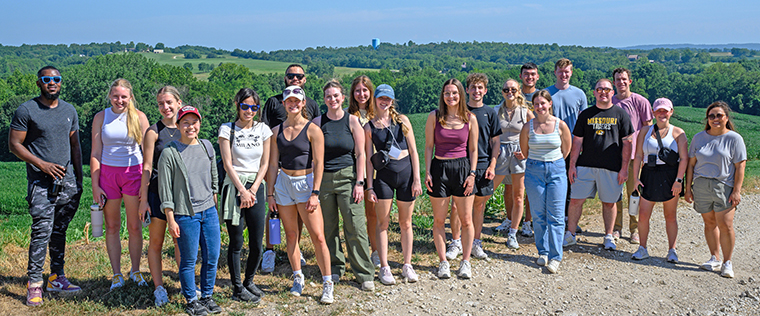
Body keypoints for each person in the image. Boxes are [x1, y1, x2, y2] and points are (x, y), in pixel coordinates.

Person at [9, 66, 84, 306]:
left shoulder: (69, 110)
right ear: (39, 82)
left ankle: (56, 277)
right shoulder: (27, 110)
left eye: (56, 79)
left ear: (61, 83)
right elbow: (14, 145)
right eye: (47, 79)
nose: (52, 83)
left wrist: (79, 179)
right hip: (41, 182)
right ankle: (34, 284)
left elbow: (75, 146)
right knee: (42, 231)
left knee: (59, 230)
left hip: (67, 182)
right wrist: (42, 165)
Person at [266, 86, 334, 303]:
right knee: (291, 235)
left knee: (318, 236)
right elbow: (272, 164)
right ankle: (297, 276)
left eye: (297, 101)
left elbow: (319, 163)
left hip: (306, 184)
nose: (293, 104)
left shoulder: (313, 130)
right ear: (284, 104)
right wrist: (270, 194)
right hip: (284, 184)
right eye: (289, 101)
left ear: (304, 103)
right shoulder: (277, 131)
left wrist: (315, 192)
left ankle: (327, 282)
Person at [158, 106, 222, 316]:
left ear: (200, 124)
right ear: (177, 126)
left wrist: (214, 198)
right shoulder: (170, 152)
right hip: (186, 214)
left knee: (212, 255)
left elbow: (214, 175)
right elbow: (165, 189)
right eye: (185, 122)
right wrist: (170, 218)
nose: (190, 126)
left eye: (194, 122)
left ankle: (207, 295)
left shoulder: (207, 146)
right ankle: (191, 300)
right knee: (189, 259)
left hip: (209, 211)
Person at [90, 78, 150, 290]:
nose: (119, 100)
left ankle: (135, 270)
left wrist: (146, 184)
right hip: (108, 175)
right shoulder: (100, 117)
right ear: (109, 96)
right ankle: (116, 274)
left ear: (130, 97)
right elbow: (96, 153)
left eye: (124, 96)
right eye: (115, 96)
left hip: (133, 173)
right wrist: (95, 185)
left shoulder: (140, 117)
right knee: (112, 226)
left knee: (135, 226)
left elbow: (148, 153)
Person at [316, 80, 375, 291]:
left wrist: (360, 182)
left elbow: (360, 154)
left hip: (349, 178)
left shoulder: (352, 121)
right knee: (328, 227)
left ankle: (364, 272)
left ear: (342, 97)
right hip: (323, 180)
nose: (332, 99)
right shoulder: (317, 123)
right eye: (328, 96)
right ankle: (334, 267)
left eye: (336, 95)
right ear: (324, 100)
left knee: (355, 226)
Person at [260, 64, 318, 272]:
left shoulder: (310, 104)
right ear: (285, 78)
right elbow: (264, 132)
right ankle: (270, 250)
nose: (295, 78)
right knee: (273, 212)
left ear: (304, 79)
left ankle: (295, 249)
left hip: (302, 170)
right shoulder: (274, 102)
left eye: (299, 76)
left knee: (299, 214)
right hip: (278, 167)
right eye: (291, 75)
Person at [565, 79, 634, 250]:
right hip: (585, 166)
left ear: (612, 92)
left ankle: (608, 236)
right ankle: (570, 234)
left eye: (607, 89)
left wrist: (624, 169)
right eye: (599, 89)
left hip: (611, 167)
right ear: (594, 93)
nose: (603, 92)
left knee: (609, 203)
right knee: (575, 201)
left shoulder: (621, 114)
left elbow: (627, 144)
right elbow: (577, 143)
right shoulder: (586, 115)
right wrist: (572, 165)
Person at [365, 84, 423, 285]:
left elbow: (414, 151)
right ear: (375, 99)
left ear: (392, 101)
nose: (385, 102)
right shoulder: (369, 126)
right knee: (383, 223)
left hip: (406, 174)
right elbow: (367, 158)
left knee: (406, 223)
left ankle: (407, 265)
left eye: (388, 99)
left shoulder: (403, 121)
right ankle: (384, 266)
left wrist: (417, 179)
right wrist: (369, 186)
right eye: (381, 98)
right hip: (384, 178)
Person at [218, 88, 272, 302]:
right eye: (245, 106)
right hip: (234, 188)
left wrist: (253, 189)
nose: (249, 111)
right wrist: (242, 190)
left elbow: (265, 162)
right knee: (236, 241)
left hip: (256, 188)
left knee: (257, 242)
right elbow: (227, 163)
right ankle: (237, 287)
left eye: (254, 107)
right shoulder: (227, 129)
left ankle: (249, 280)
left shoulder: (263, 130)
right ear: (237, 105)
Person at [685, 101, 746, 278]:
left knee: (725, 225)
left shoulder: (734, 138)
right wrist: (688, 189)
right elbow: (691, 165)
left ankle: (727, 262)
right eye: (711, 116)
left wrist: (736, 190)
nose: (715, 119)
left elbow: (740, 166)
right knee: (710, 223)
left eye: (719, 115)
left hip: (724, 185)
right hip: (702, 185)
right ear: (707, 119)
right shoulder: (699, 138)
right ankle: (715, 257)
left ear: (726, 117)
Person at [424, 78, 479, 279]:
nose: (451, 97)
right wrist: (428, 171)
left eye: (454, 93)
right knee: (439, 220)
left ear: (461, 95)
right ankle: (443, 262)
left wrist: (472, 174)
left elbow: (473, 149)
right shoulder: (434, 117)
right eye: (447, 93)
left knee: (466, 219)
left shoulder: (470, 118)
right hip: (439, 169)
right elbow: (429, 146)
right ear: (443, 96)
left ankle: (465, 262)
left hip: (463, 169)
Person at [446, 73, 501, 260]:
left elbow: (496, 143)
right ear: (466, 90)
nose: (476, 91)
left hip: (484, 164)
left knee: (479, 206)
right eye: (473, 87)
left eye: (480, 88)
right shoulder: (459, 111)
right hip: (462, 164)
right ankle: (455, 242)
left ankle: (476, 242)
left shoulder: (490, 113)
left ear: (485, 91)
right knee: (456, 206)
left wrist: (493, 165)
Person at [139, 86, 183, 306]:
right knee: (156, 243)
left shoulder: (188, 126)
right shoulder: (153, 131)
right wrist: (143, 199)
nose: (165, 107)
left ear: (179, 103)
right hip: (157, 192)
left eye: (169, 103)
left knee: (180, 241)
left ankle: (185, 284)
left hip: (181, 196)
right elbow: (147, 166)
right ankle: (158, 287)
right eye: (160, 104)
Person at [520, 90, 572, 273]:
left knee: (556, 216)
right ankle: (543, 251)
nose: (540, 107)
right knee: (538, 215)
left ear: (550, 104)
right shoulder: (528, 127)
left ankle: (556, 257)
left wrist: (553, 162)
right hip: (534, 171)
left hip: (556, 170)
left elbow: (566, 150)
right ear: (532, 106)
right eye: (536, 104)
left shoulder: (561, 125)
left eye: (543, 103)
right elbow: (524, 151)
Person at [630, 98, 687, 262]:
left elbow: (684, 159)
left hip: (670, 175)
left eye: (665, 110)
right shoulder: (644, 131)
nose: (662, 113)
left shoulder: (678, 133)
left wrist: (679, 180)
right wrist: (635, 178)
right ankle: (642, 248)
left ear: (671, 112)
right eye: (658, 110)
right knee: (643, 215)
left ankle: (672, 250)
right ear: (653, 113)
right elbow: (639, 155)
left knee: (670, 215)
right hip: (649, 173)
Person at [545, 58, 587, 234]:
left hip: (574, 145)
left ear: (571, 73)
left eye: (567, 71)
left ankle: (570, 220)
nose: (564, 75)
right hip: (552, 145)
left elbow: (584, 121)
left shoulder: (579, 94)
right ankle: (552, 218)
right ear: (555, 72)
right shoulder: (546, 93)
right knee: (552, 182)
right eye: (560, 71)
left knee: (572, 182)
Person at [612, 67, 654, 244]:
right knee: (614, 195)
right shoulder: (609, 101)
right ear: (613, 82)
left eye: (624, 79)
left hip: (635, 156)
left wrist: (645, 153)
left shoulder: (640, 102)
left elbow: (649, 128)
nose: (621, 82)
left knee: (634, 194)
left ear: (630, 81)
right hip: (613, 155)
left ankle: (634, 229)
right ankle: (615, 228)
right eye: (617, 79)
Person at [492, 79, 535, 250]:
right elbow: (490, 134)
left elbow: (537, 131)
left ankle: (513, 232)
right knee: (489, 190)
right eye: (506, 89)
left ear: (519, 91)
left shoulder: (525, 112)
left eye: (513, 89)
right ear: (502, 92)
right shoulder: (496, 110)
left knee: (519, 195)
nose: (509, 92)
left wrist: (527, 150)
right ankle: (473, 230)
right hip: (500, 153)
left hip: (519, 155)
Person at [348, 75, 381, 268]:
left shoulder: (378, 114)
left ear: (371, 92)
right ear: (353, 93)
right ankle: (356, 254)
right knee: (353, 217)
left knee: (373, 214)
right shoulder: (346, 115)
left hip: (374, 171)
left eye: (365, 90)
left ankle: (376, 251)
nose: (362, 94)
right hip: (351, 170)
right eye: (358, 90)